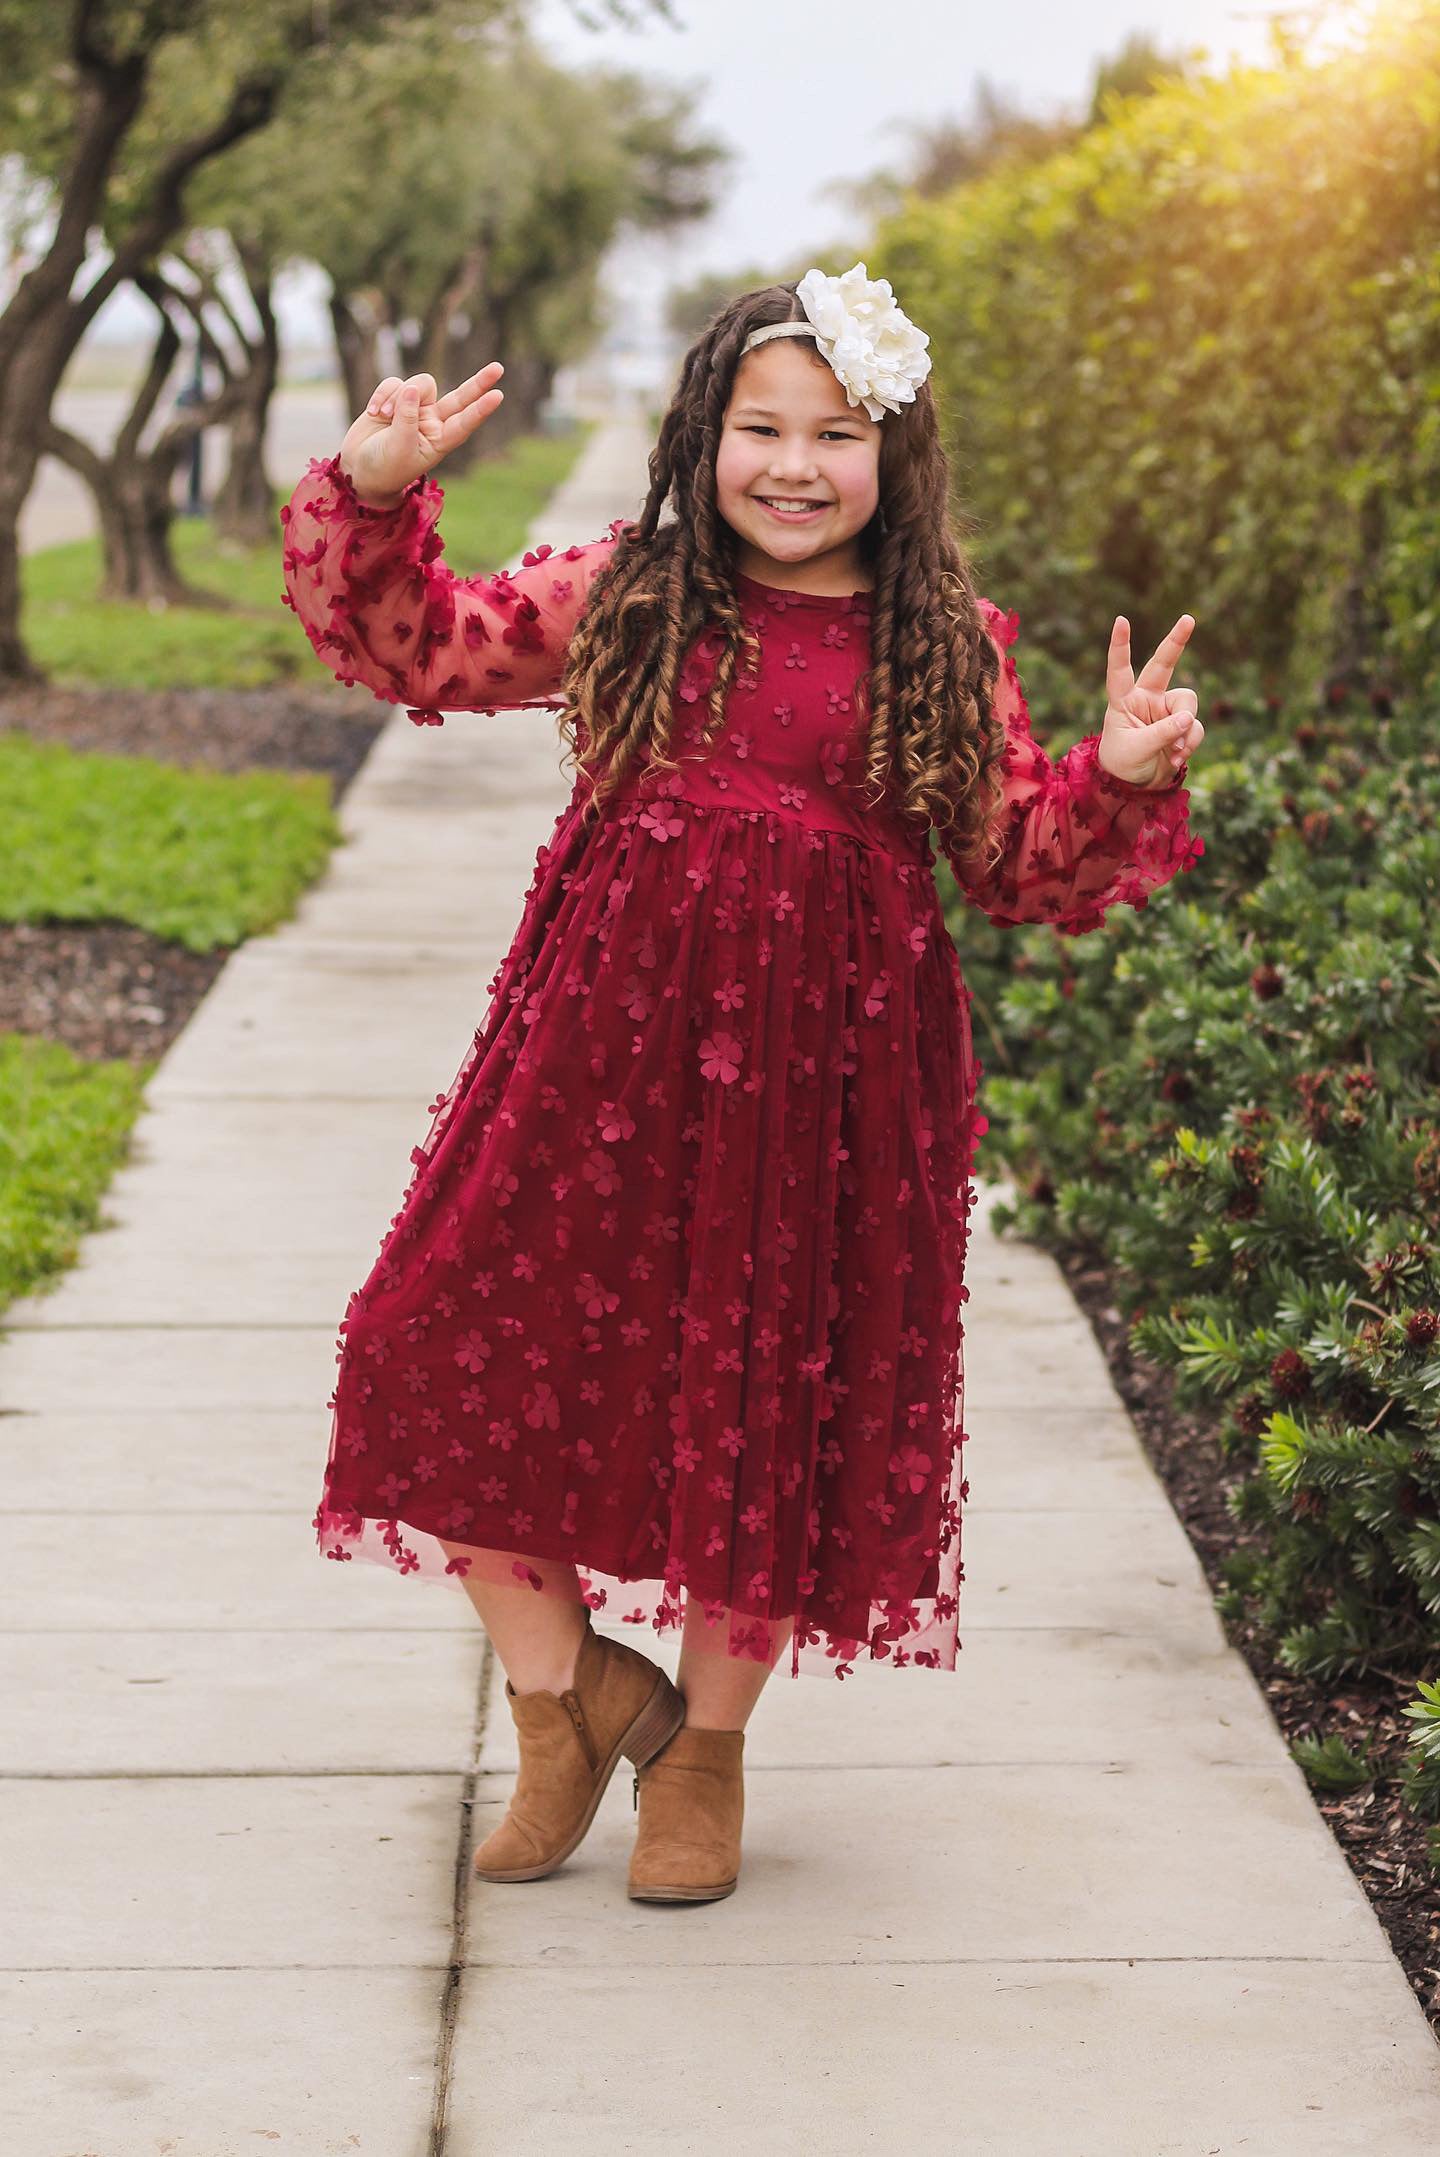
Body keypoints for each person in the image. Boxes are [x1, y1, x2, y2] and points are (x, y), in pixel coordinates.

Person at [280, 262, 1205, 1906]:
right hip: (596, 1062)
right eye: (760, 427)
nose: (793, 464)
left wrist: (1115, 776)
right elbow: (426, 641)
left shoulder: (939, 645)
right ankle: (568, 1696)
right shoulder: (633, 592)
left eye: (834, 433)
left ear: (893, 455)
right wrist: (371, 498)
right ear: (704, 435)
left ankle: (701, 1752)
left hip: (829, 1088)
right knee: (423, 1343)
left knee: (768, 1404)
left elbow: (1015, 857)